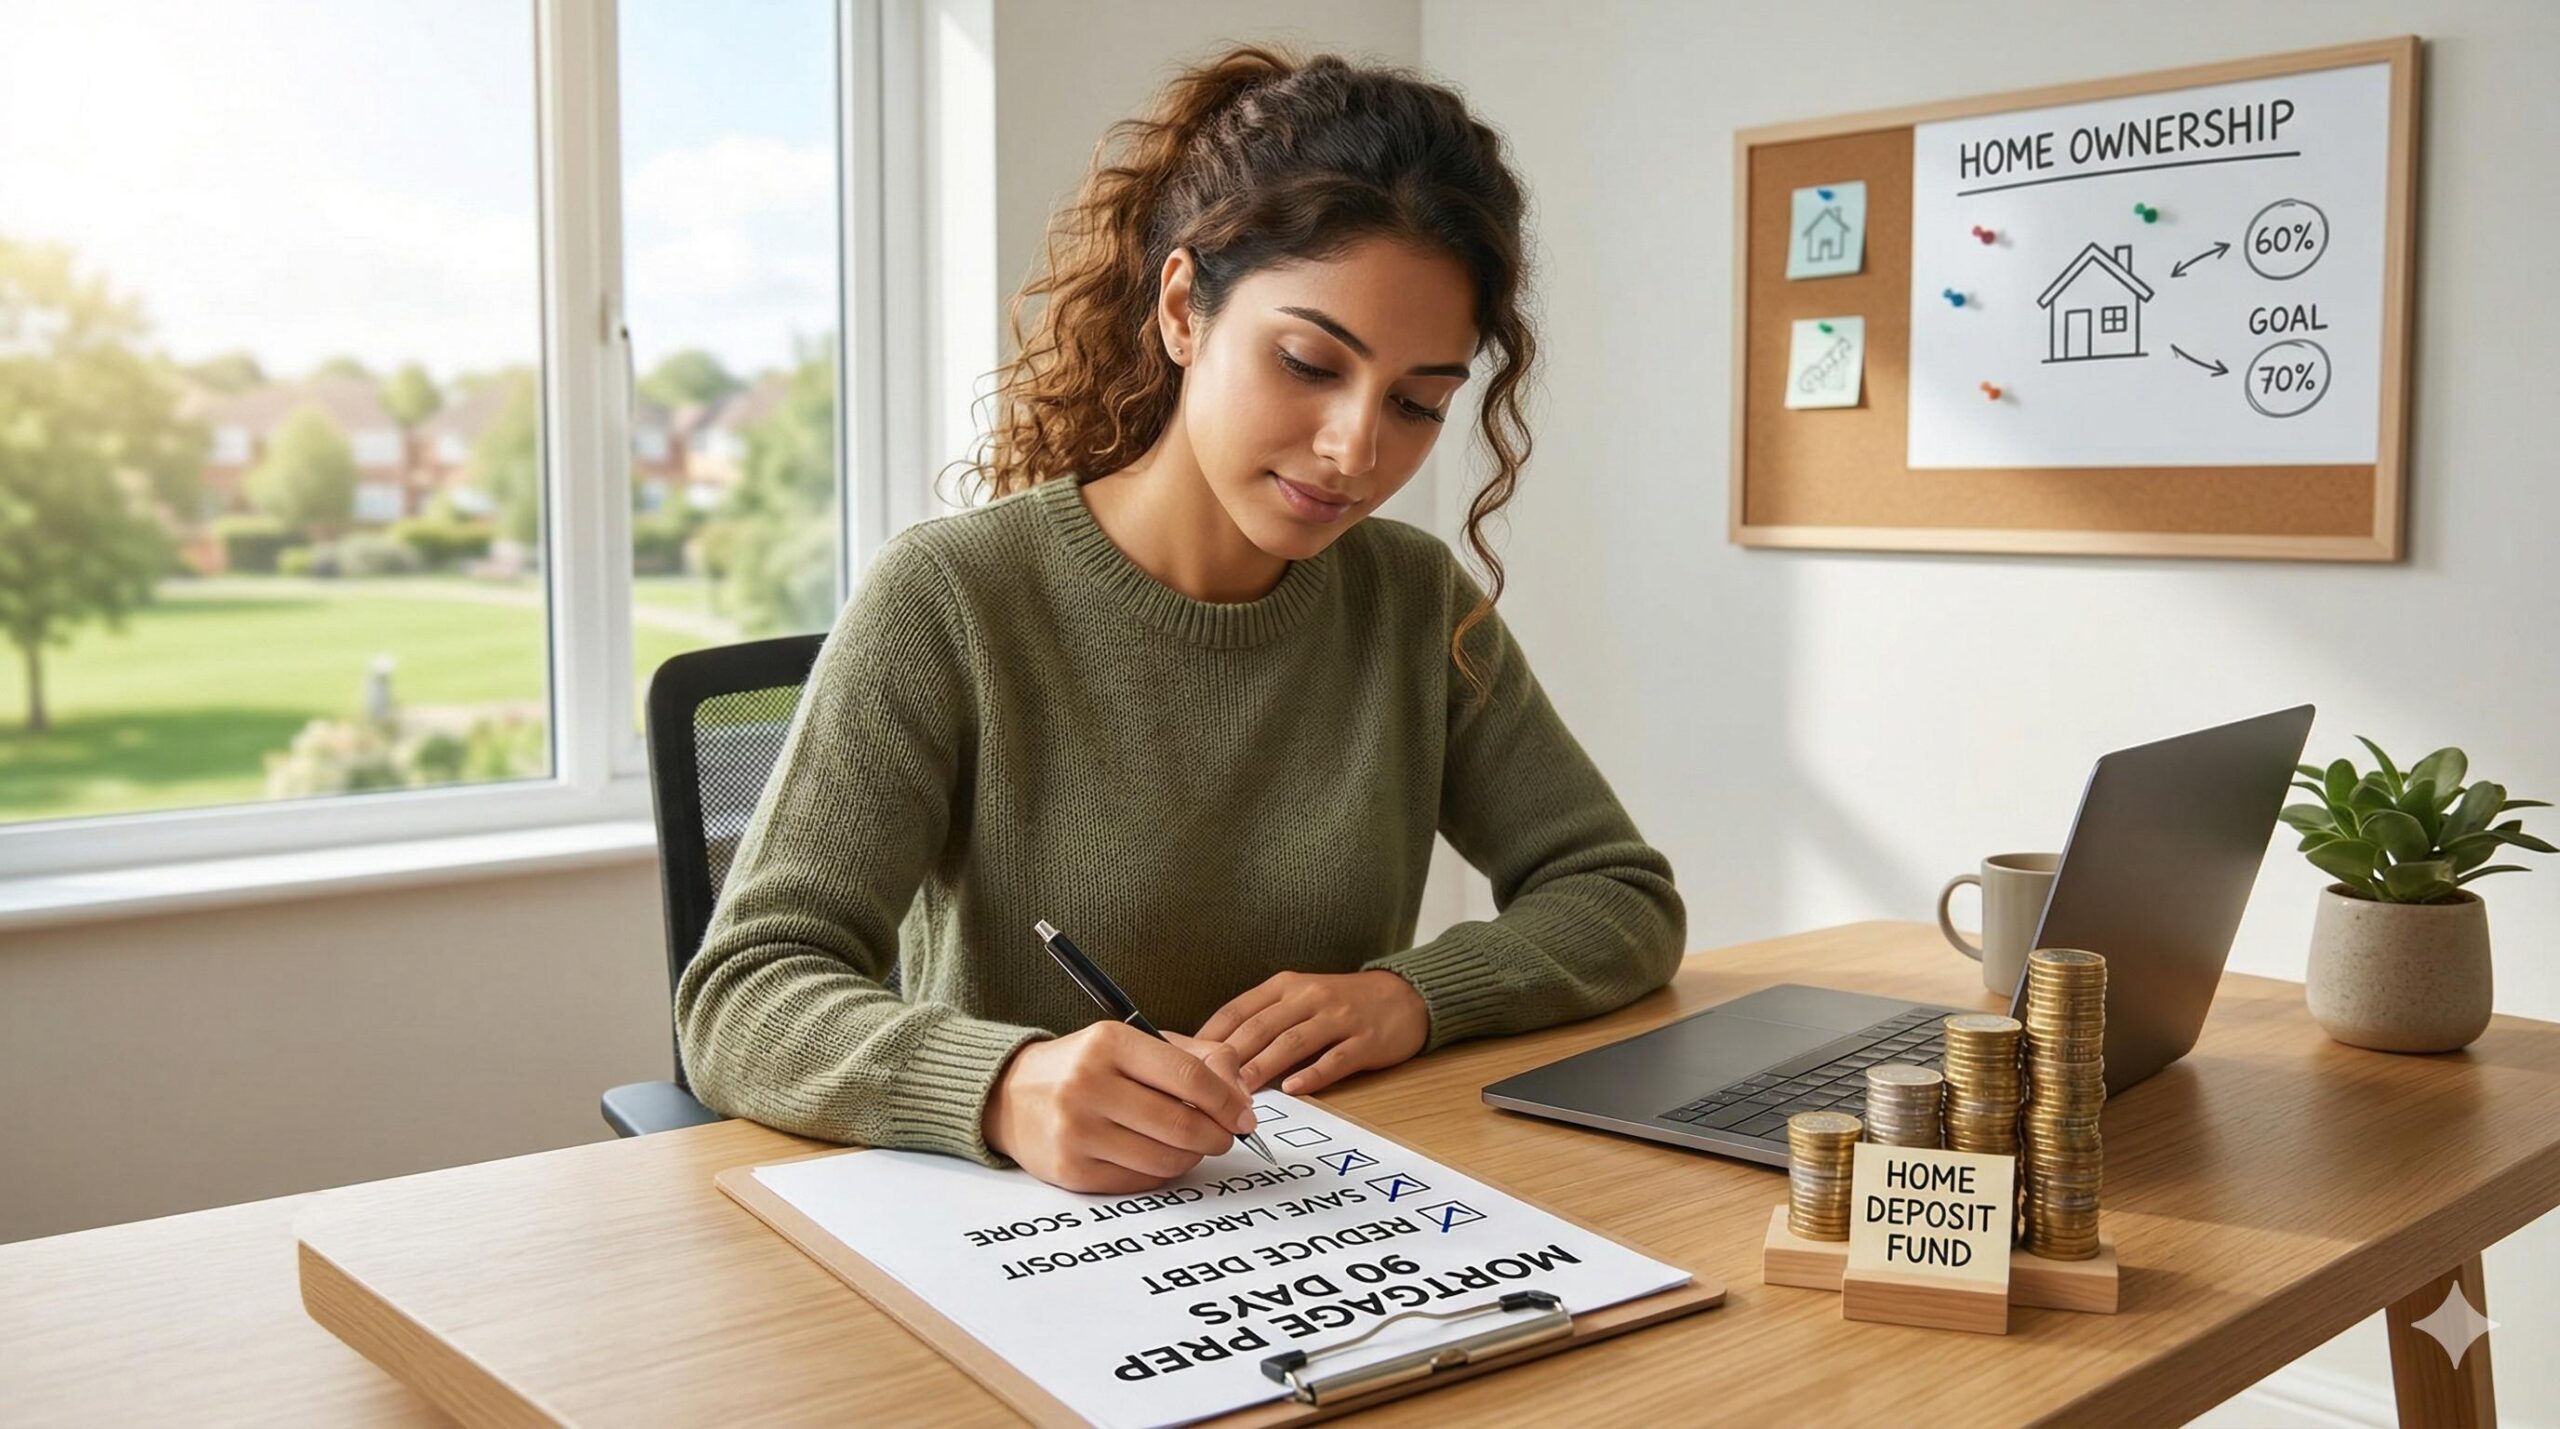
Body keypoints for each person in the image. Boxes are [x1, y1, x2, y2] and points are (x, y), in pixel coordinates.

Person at [677, 44, 1684, 1194]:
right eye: (1308, 362)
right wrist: (1003, 1083)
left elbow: (1619, 896)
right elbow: (745, 994)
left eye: (1416, 403)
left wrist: (1413, 995)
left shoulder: (1412, 603)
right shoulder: (950, 598)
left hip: (1315, 1217)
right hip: (1015, 1232)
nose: (1358, 449)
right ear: (1181, 311)